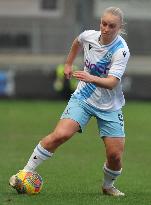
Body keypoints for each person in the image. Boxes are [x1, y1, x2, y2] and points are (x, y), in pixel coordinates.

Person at [9, 7, 130, 196]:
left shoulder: (121, 51)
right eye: (103, 23)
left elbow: (112, 82)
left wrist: (91, 78)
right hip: (83, 97)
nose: (106, 28)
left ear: (120, 27)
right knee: (60, 135)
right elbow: (77, 42)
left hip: (109, 106)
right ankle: (25, 172)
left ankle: (108, 186)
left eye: (111, 26)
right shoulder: (89, 36)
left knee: (115, 156)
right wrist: (68, 63)